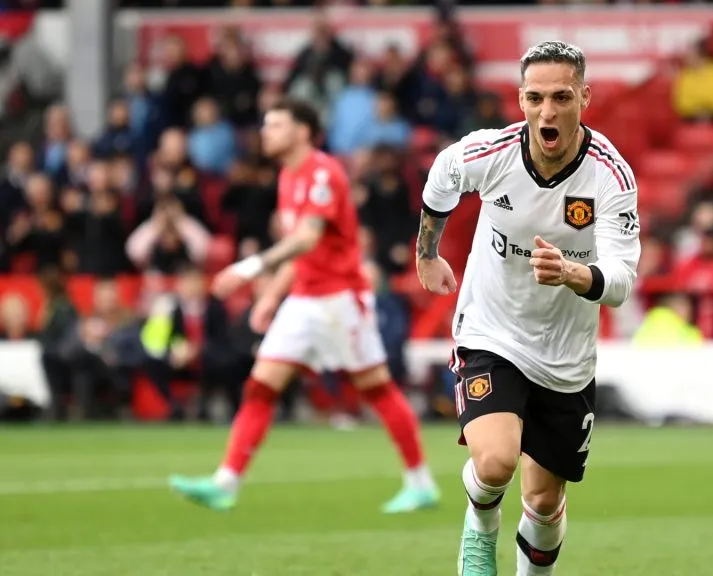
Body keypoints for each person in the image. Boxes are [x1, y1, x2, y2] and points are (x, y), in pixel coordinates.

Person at [416, 41, 641, 576]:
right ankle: (479, 531)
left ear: (584, 97)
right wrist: (426, 253)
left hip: (565, 356)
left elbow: (620, 281)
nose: (547, 112)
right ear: (520, 100)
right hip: (491, 332)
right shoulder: (489, 153)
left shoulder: (610, 176)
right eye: (535, 98)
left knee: (542, 502)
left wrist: (572, 274)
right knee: (495, 462)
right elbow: (442, 178)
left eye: (561, 97)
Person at [168, 98, 439, 513]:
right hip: (303, 299)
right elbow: (300, 252)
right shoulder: (287, 176)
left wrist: (250, 267)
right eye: (266, 124)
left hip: (340, 299)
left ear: (302, 131)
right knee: (260, 386)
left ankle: (420, 483)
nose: (266, 132)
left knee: (376, 388)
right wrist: (272, 296)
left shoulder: (323, 172)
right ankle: (226, 482)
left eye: (276, 124)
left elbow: (308, 237)